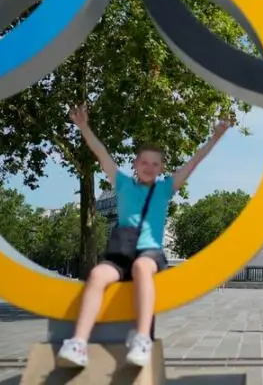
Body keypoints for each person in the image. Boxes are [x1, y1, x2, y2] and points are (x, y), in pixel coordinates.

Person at [56, 104, 231, 368]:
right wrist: (83, 127)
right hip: (120, 253)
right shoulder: (123, 183)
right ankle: (79, 343)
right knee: (97, 275)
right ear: (135, 164)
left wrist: (215, 137)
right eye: (144, 162)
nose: (149, 167)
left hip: (149, 253)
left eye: (155, 164)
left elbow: (194, 161)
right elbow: (101, 153)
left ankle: (141, 339)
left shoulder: (166, 188)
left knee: (141, 267)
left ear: (161, 168)